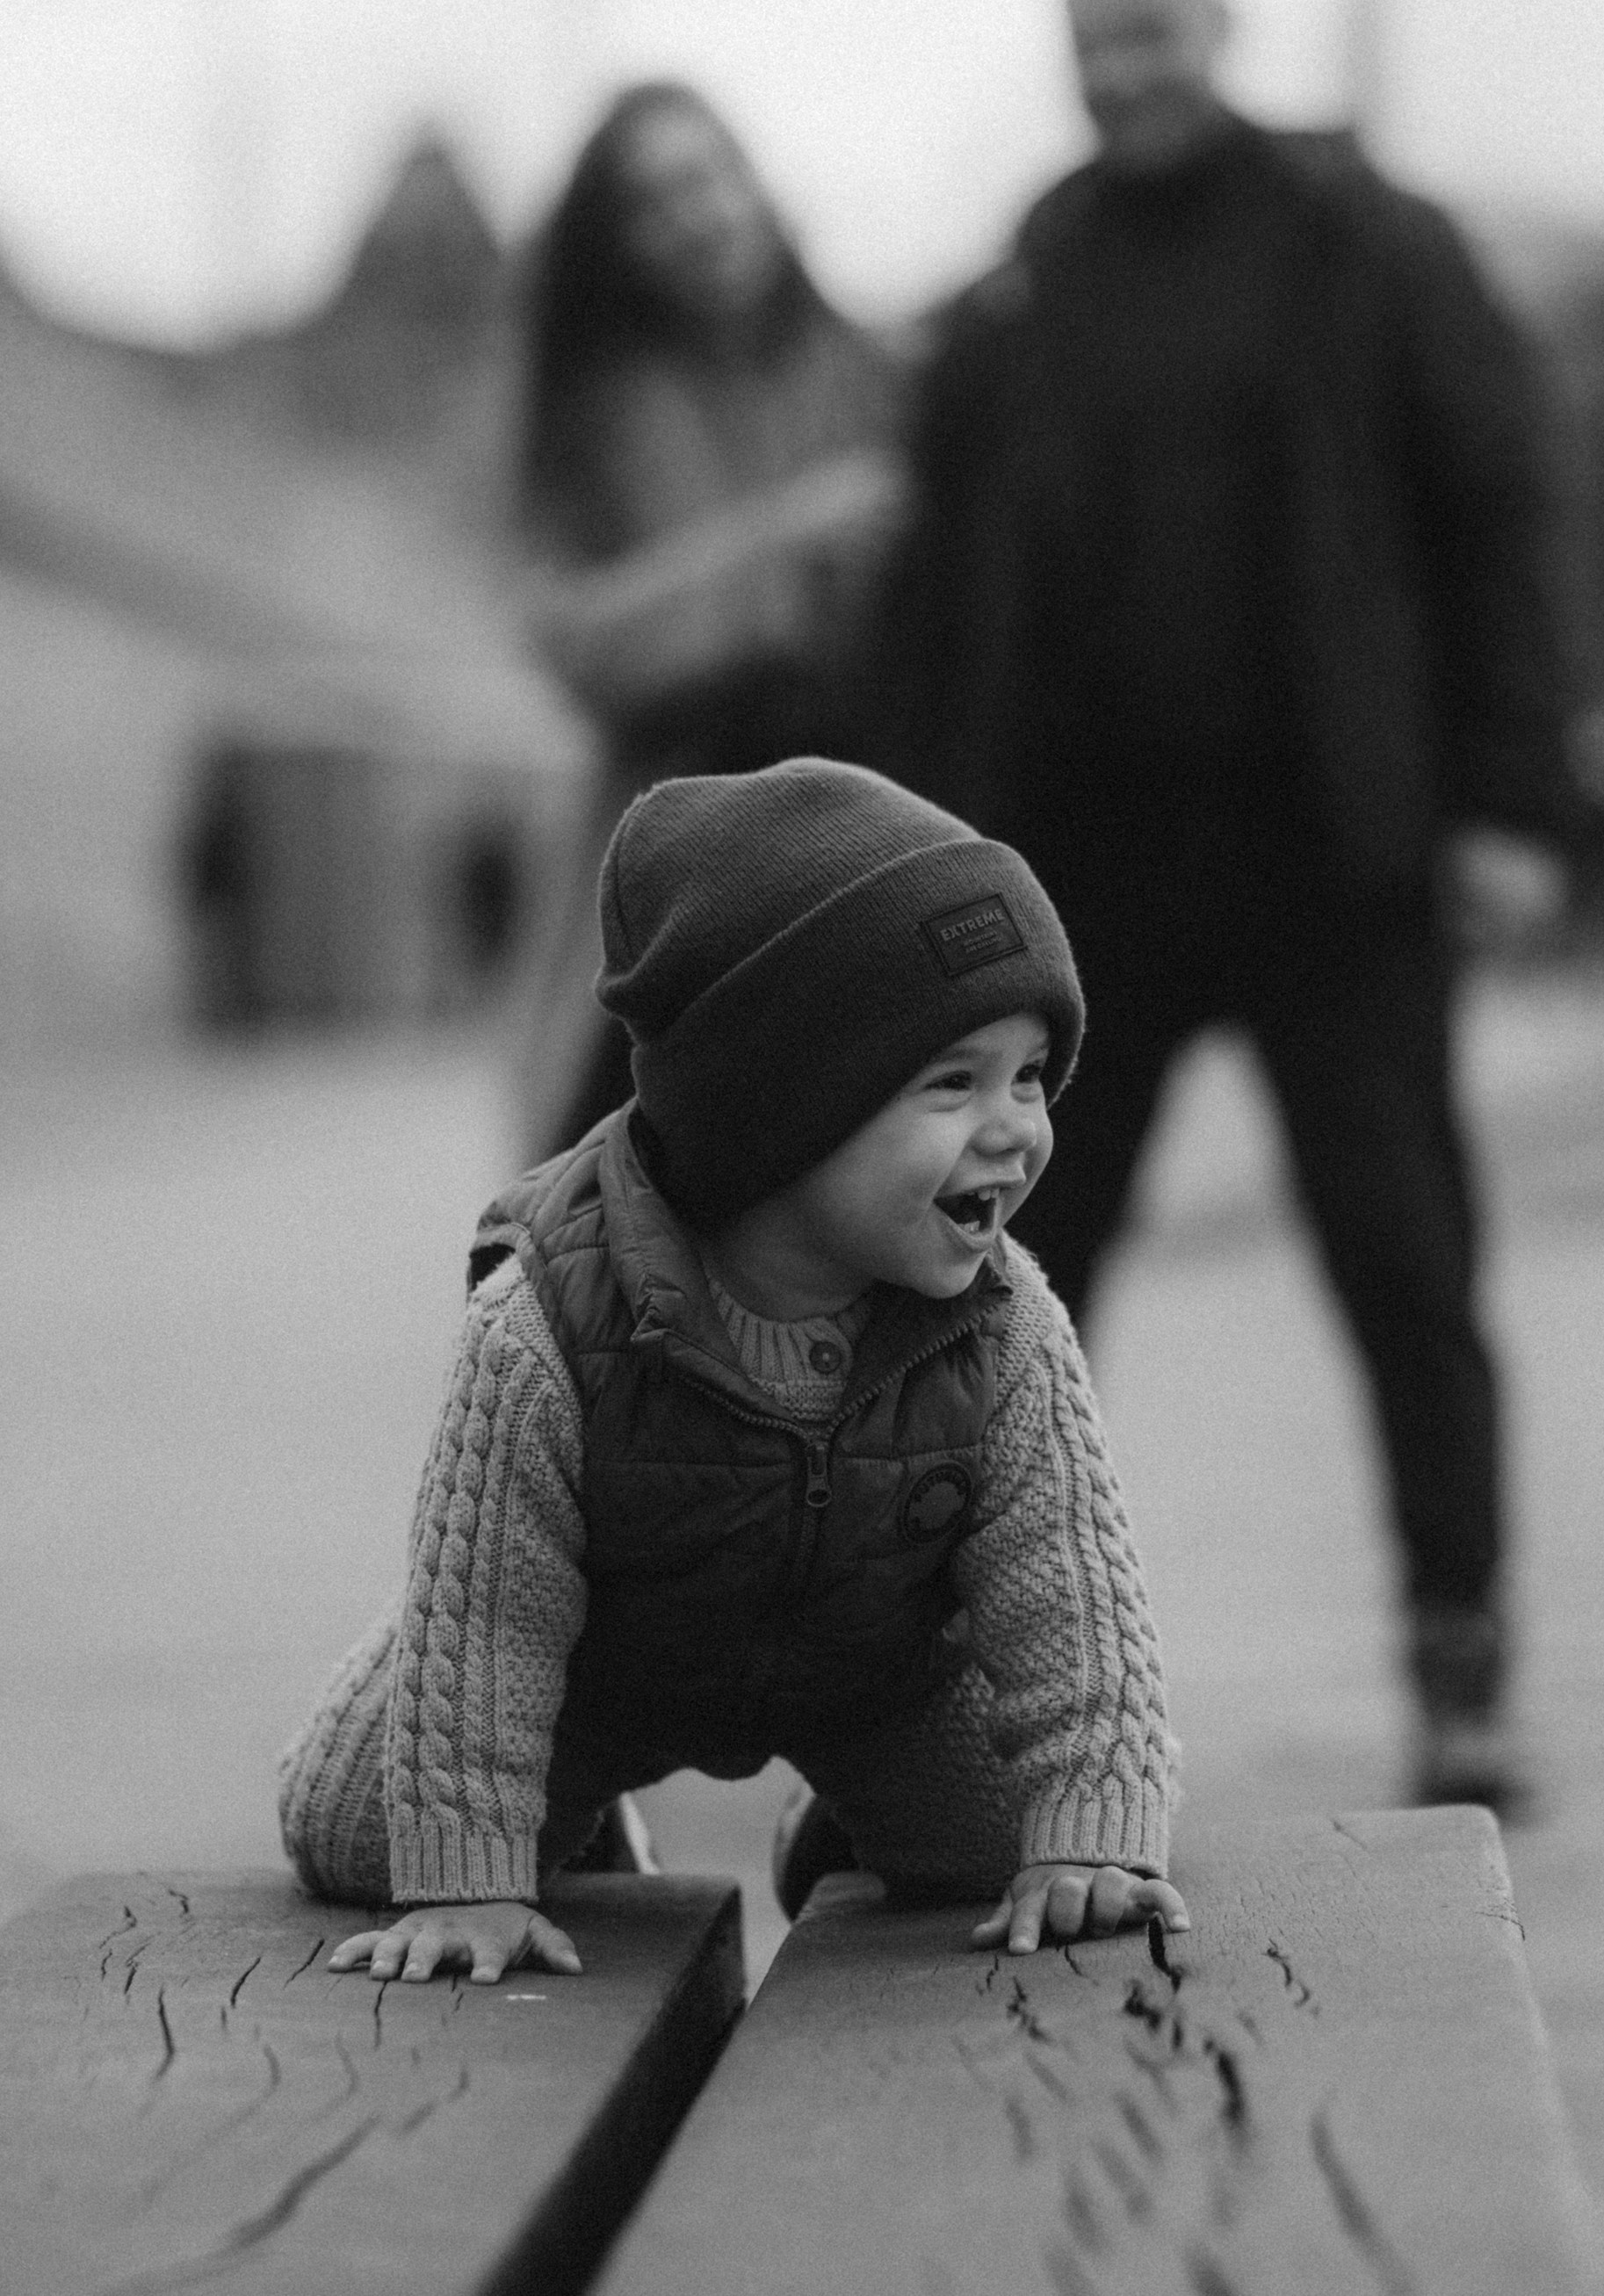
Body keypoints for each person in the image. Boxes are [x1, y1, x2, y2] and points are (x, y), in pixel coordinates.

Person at [874, 0, 1578, 1816]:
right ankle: (967, 1682)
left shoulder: (1369, 245)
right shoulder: (1023, 287)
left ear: (1215, 19)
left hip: (1336, 865)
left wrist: (1512, 798)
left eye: (1151, 36)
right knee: (1014, 1272)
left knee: (1402, 1259)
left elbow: (1497, 507)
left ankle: (1460, 1663)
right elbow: (941, 603)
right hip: (1084, 881)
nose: (1122, 75)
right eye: (1091, 44)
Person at [278, 757, 1185, 1981]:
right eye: (954, 1082)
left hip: (875, 1670)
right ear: (782, 1113)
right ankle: (566, 1812)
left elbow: (1076, 1602)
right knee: (353, 1830)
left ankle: (851, 1817)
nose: (1017, 1125)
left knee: (1018, 1843)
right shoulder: (545, 1327)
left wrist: (1097, 1838)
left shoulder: (1001, 1327)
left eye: (1030, 1074)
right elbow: (492, 1617)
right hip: (589, 1672)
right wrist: (471, 1885)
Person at [511, 83, 907, 1163]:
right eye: (655, 201)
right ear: (617, 247)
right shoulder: (590, 421)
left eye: (716, 175)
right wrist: (791, 547)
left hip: (871, 862)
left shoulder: (876, 375)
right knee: (604, 1250)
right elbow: (577, 647)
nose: (702, 214)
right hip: (674, 888)